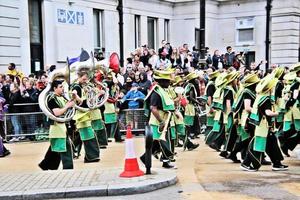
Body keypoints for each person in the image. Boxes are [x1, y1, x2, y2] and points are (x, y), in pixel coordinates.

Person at [241, 74, 288, 172]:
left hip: (264, 125)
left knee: (272, 143)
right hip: (263, 126)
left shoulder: (261, 96)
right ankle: (247, 163)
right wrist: (278, 113)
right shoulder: (265, 99)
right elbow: (267, 113)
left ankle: (277, 163)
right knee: (258, 145)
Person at [140, 70, 177, 174]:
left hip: (165, 119)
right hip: (158, 121)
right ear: (163, 81)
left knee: (157, 143)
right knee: (162, 141)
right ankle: (166, 161)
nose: (170, 83)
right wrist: (161, 121)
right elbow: (153, 108)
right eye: (168, 81)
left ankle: (145, 158)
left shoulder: (163, 90)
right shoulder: (156, 92)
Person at [39, 80, 74, 170]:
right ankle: (68, 168)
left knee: (55, 149)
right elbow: (57, 113)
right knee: (64, 148)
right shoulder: (52, 99)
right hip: (57, 126)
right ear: (55, 88)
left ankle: (46, 165)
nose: (63, 89)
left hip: (63, 126)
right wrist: (67, 106)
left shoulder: (62, 97)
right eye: (60, 87)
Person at [71, 70, 100, 163]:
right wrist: (75, 95)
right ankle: (90, 157)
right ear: (79, 77)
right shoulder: (76, 86)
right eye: (83, 79)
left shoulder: (82, 86)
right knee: (88, 137)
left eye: (86, 79)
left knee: (83, 137)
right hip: (81, 116)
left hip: (85, 115)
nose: (85, 80)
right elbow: (78, 100)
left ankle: (74, 152)